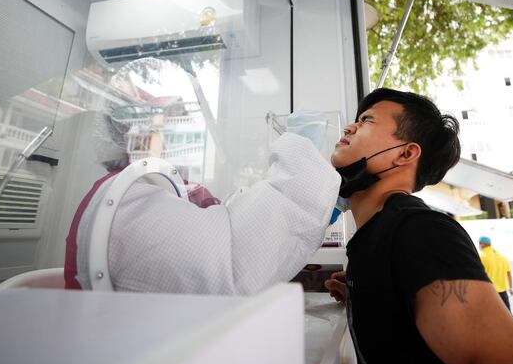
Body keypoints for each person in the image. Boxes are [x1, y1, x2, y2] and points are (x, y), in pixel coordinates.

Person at [323, 88, 513, 364]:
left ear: (405, 153)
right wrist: (365, 292)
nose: (349, 127)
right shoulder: (374, 237)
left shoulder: (423, 232)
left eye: (366, 121)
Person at [65, 109, 341, 295]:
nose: (169, 137)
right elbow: (231, 265)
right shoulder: (121, 201)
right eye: (162, 128)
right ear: (133, 136)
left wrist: (320, 200)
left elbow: (223, 221)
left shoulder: (161, 191)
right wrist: (303, 181)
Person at [478, 236, 513, 310]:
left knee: (486, 317)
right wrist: (510, 288)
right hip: (503, 294)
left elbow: (477, 276)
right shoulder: (503, 257)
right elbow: (509, 274)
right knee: (507, 317)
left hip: (489, 293)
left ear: (482, 244)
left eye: (479, 243)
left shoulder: (482, 257)